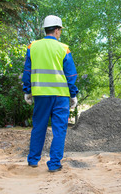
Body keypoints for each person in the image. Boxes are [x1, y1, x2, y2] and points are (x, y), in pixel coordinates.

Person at [22, 15, 79, 172]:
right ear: (56, 30)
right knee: (59, 130)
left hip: (40, 95)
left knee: (39, 127)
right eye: (60, 30)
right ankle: (54, 164)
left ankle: (33, 160)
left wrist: (27, 90)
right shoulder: (63, 48)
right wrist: (73, 94)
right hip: (60, 96)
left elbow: (27, 71)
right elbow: (71, 75)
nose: (60, 33)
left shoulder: (32, 47)